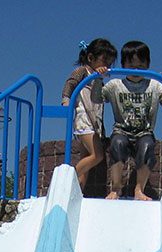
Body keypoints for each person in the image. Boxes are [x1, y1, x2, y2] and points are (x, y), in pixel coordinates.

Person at [90, 40, 162, 201]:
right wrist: (98, 79)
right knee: (117, 144)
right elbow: (96, 99)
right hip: (121, 130)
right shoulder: (115, 84)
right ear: (123, 65)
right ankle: (116, 189)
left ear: (148, 65)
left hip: (144, 132)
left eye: (141, 67)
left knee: (147, 146)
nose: (136, 70)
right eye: (131, 66)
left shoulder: (155, 85)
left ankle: (139, 189)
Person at [61, 38, 117, 192]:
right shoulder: (82, 71)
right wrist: (66, 101)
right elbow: (70, 84)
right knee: (97, 155)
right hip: (83, 120)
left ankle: (77, 191)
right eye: (104, 61)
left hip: (94, 123)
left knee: (86, 159)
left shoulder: (99, 80)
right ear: (91, 58)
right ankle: (68, 178)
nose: (107, 66)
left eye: (110, 63)